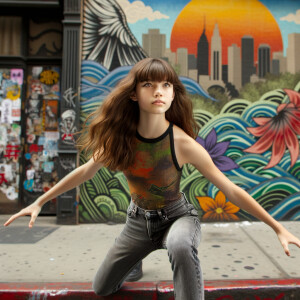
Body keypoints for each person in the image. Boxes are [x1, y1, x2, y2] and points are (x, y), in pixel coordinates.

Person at [4, 58, 300, 299]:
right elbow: (85, 171)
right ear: (134, 93)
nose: (158, 91)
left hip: (178, 217)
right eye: (149, 84)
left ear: (173, 93)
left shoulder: (182, 143)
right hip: (137, 223)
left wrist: (277, 228)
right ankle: (134, 263)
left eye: (166, 85)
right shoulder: (119, 139)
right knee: (102, 287)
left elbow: (231, 189)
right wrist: (40, 201)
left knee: (181, 245)